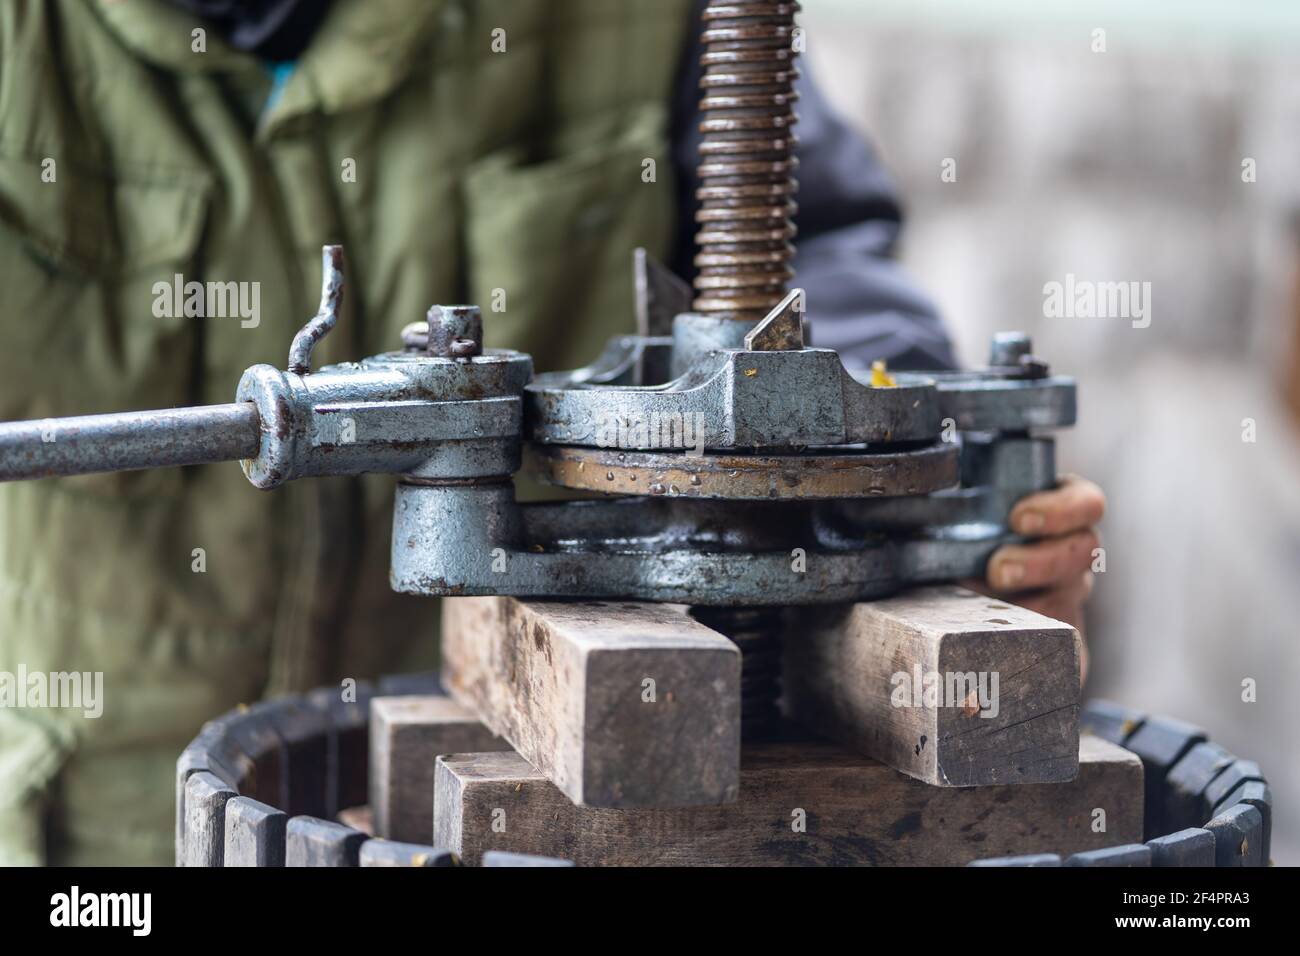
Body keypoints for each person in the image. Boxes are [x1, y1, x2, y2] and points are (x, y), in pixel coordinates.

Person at [0, 0, 1103, 865]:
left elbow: (832, 249)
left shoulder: (641, 16)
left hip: (557, 793)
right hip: (83, 813)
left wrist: (893, 469)